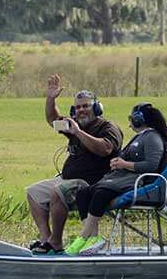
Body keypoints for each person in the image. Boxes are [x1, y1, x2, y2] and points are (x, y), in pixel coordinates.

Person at [26, 75, 123, 255]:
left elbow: (105, 149)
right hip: (68, 179)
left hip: (92, 183)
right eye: (78, 107)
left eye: (86, 106)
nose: (81, 110)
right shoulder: (74, 125)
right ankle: (46, 238)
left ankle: (56, 241)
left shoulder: (108, 127)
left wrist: (78, 133)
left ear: (96, 107)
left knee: (59, 191)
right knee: (34, 192)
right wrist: (50, 99)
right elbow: (52, 120)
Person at [65, 103, 167, 256]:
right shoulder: (140, 137)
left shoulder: (152, 138)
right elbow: (125, 155)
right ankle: (93, 238)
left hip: (136, 181)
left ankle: (83, 237)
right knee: (83, 193)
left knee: (101, 193)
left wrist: (124, 164)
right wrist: (117, 161)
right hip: (120, 178)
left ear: (139, 119)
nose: (129, 123)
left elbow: (151, 166)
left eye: (131, 118)